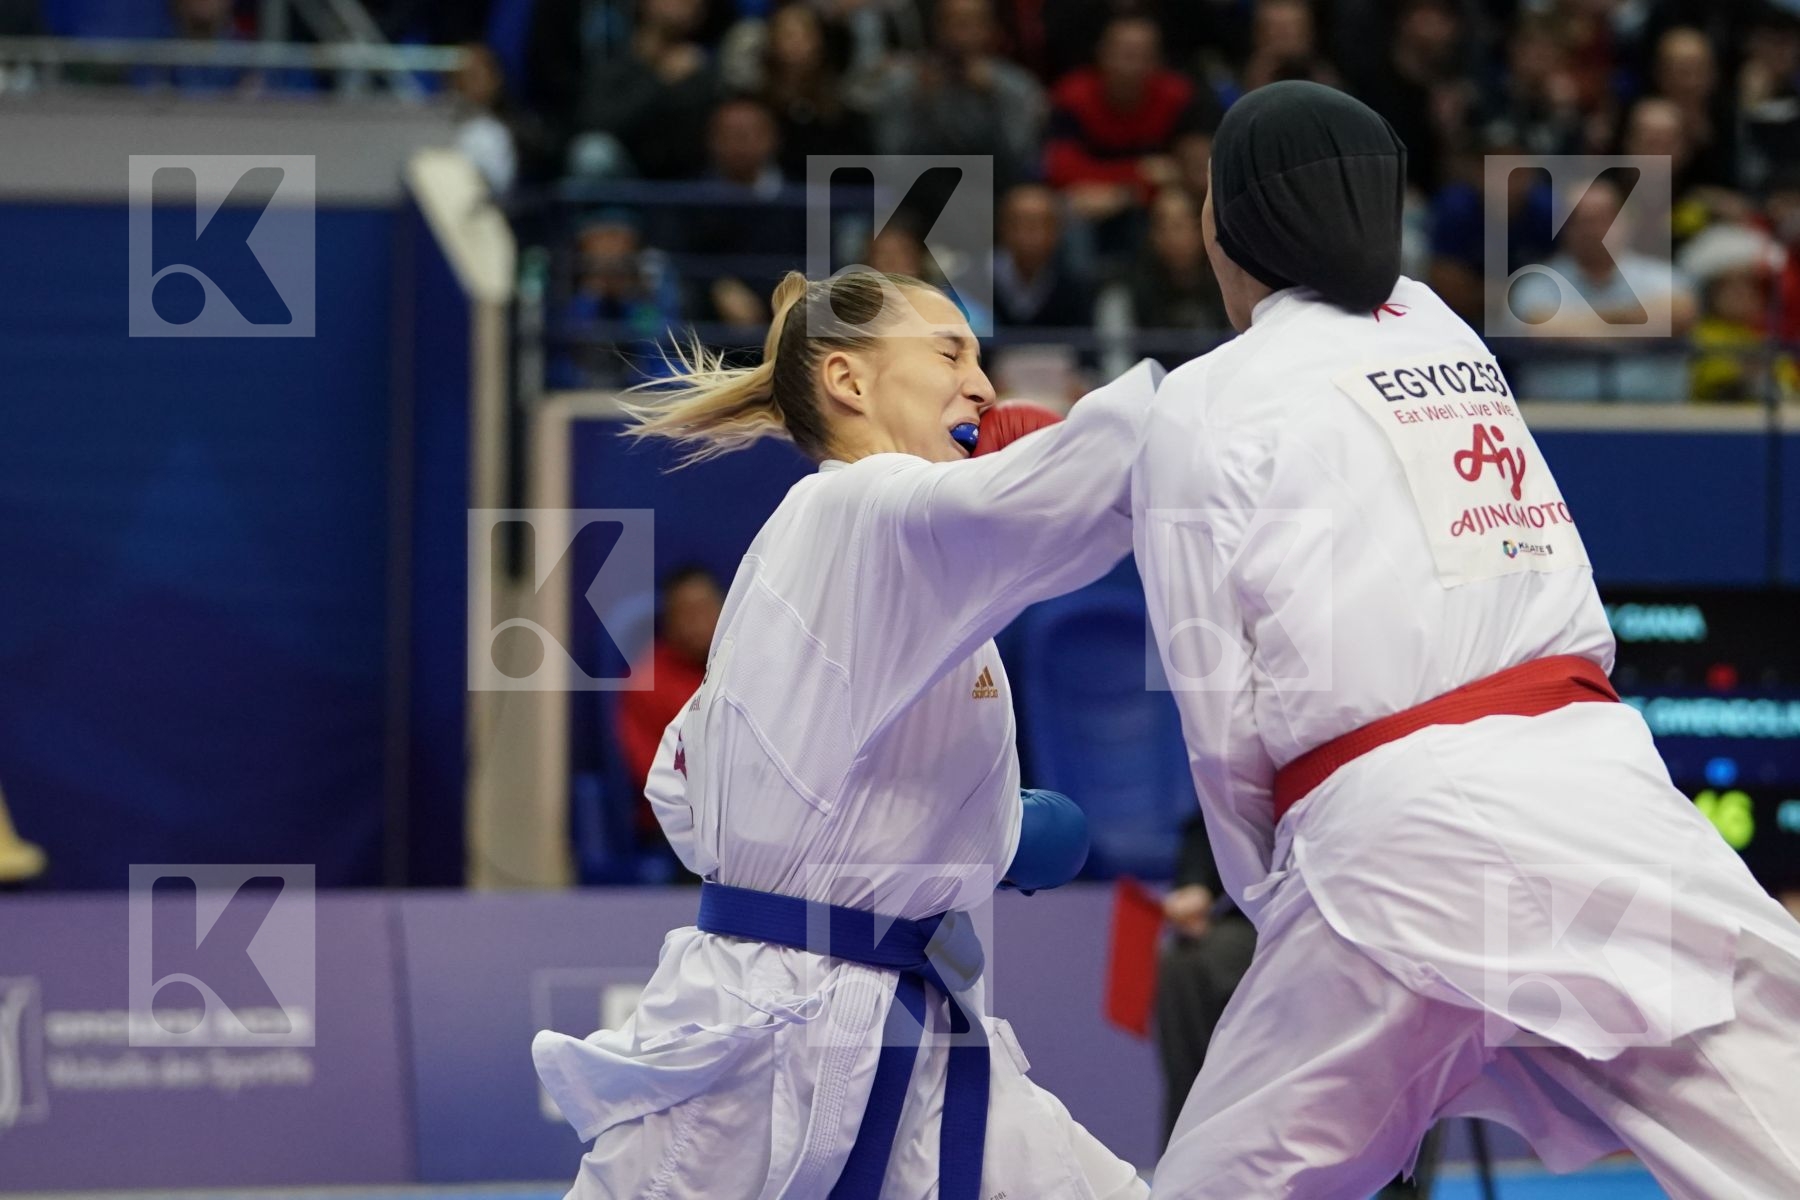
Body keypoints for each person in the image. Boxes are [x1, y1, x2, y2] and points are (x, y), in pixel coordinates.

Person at [1137, 79, 1800, 1199]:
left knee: (1226, 1180)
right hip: (1599, 787)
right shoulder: (1441, 329)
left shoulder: (1197, 407)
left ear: (1231, 220)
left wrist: (1277, 893)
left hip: (1391, 835)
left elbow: (1219, 717)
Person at [534, 269, 1159, 1200]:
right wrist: (1175, 424)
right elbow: (1072, 495)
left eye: (981, 358)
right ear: (850, 382)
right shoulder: (867, 507)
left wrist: (975, 827)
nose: (983, 387)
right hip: (764, 1039)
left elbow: (685, 786)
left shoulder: (839, 546)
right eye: (950, 352)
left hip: (904, 1018)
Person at [615, 566, 725, 843]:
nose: (699, 623)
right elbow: (654, 774)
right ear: (669, 620)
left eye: (706, 610)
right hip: (677, 828)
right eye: (688, 614)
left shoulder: (744, 670)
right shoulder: (645, 684)